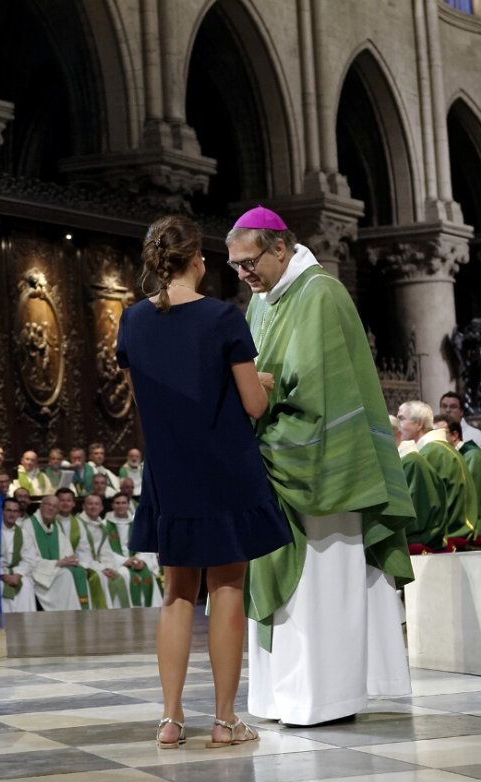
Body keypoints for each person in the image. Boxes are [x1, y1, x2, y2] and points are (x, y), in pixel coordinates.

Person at [226, 205, 416, 726]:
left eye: (248, 263)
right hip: (275, 460)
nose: (242, 275)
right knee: (292, 594)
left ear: (279, 248)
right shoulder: (264, 300)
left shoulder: (322, 294)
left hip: (322, 464)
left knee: (322, 587)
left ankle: (326, 699)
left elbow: (322, 389)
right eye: (235, 267)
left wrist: (262, 387)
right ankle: (280, 697)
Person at [117, 214, 291, 749]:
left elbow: (145, 397)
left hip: (170, 470)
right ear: (199, 260)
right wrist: (262, 380)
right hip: (224, 468)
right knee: (227, 589)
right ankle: (224, 721)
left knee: (176, 596)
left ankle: (170, 719)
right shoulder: (223, 319)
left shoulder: (132, 322)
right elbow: (255, 404)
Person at [390, 416, 448, 552]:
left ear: (397, 434)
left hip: (419, 535)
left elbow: (414, 509)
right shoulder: (402, 461)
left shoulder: (411, 462)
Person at [26, 494, 88, 610]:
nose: (50, 508)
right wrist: (57, 563)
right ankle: (68, 614)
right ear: (40, 506)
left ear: (57, 511)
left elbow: (66, 551)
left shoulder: (56, 526)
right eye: (48, 504)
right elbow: (29, 559)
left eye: (54, 507)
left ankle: (79, 613)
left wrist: (69, 560)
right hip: (38, 572)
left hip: (52, 570)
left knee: (78, 571)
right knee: (65, 575)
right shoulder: (28, 526)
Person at [106, 492, 160, 607]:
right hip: (118, 564)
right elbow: (104, 549)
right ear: (112, 505)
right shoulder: (105, 525)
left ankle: (150, 611)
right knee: (125, 575)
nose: (121, 506)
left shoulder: (136, 524)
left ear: (128, 505)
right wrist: (123, 561)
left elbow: (145, 545)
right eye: (117, 503)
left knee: (148, 574)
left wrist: (141, 560)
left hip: (136, 561)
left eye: (124, 503)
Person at [0, 497, 38, 613]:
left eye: (15, 511)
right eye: (9, 510)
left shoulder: (24, 534)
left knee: (26, 585)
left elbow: (29, 559)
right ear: (2, 511)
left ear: (19, 514)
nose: (12, 514)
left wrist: (18, 574)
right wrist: (3, 575)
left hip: (16, 573)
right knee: (0, 587)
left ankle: (26, 625)